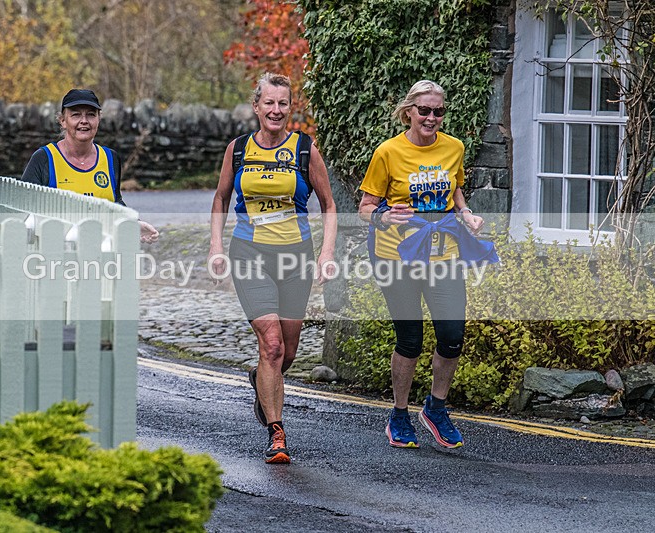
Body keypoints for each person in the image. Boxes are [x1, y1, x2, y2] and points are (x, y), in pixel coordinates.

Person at [358, 80, 497, 450]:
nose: (432, 117)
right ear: (409, 112)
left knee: (452, 336)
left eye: (438, 111)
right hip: (395, 256)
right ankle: (400, 414)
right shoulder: (388, 152)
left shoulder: (454, 147)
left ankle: (435, 408)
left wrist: (466, 213)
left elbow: (454, 190)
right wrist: (384, 217)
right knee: (411, 340)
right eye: (424, 111)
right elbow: (366, 207)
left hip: (444, 254)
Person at [208, 72, 337, 464]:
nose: (276, 110)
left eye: (283, 103)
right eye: (269, 103)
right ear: (257, 106)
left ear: (290, 107)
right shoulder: (238, 149)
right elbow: (220, 198)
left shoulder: (304, 150)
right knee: (272, 344)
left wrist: (326, 253)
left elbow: (329, 205)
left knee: (288, 351)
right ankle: (276, 433)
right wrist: (215, 246)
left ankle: (260, 380)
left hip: (295, 255)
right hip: (248, 253)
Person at [21, 88, 158, 243]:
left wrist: (134, 223)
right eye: (76, 114)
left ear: (98, 119)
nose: (84, 120)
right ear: (63, 121)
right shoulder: (44, 158)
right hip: (56, 257)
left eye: (91, 114)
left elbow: (114, 202)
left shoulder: (110, 158)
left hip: (103, 256)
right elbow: (25, 212)